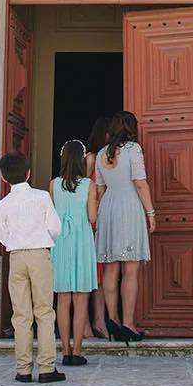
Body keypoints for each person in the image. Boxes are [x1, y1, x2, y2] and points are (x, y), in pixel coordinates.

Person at [0, 151, 65, 383]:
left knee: (21, 315)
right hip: (39, 255)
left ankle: (23, 369)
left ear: (4, 179)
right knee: (44, 311)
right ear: (29, 173)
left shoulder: (2, 205)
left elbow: (3, 238)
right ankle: (47, 367)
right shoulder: (42, 197)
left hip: (16, 258)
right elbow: (55, 228)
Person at [95, 110, 155, 343]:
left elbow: (99, 190)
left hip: (108, 208)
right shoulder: (133, 150)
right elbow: (140, 184)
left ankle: (113, 319)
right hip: (129, 207)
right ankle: (128, 324)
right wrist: (151, 213)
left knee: (111, 268)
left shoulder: (101, 153)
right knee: (130, 269)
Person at [51, 139, 99, 366]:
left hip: (61, 241)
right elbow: (92, 217)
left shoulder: (54, 185)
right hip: (81, 241)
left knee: (62, 299)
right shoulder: (89, 186)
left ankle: (65, 350)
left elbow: (51, 216)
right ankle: (77, 351)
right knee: (81, 299)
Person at [83, 116, 113, 340]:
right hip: (91, 219)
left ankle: (100, 320)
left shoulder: (109, 158)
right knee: (92, 274)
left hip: (107, 218)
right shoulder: (92, 158)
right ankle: (89, 323)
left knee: (103, 273)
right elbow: (82, 189)